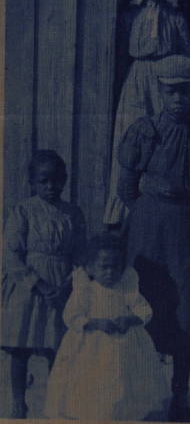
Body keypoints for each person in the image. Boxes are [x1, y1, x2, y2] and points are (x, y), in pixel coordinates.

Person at [117, 55, 190, 422]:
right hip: (150, 228)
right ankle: (141, 395)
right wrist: (150, 213)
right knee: (147, 307)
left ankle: (181, 396)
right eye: (171, 91)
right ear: (160, 91)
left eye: (185, 91)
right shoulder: (145, 131)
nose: (178, 98)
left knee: (187, 312)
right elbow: (126, 187)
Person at [104, 0, 190, 227]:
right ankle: (122, 209)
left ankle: (161, 204)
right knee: (133, 134)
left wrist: (179, 83)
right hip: (137, 77)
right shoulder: (132, 15)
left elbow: (187, 55)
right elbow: (119, 54)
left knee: (165, 135)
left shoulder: (176, 18)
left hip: (165, 79)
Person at [44, 233, 168, 420]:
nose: (110, 272)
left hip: (125, 348)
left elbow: (144, 309)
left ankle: (121, 413)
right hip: (91, 347)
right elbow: (71, 315)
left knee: (123, 382)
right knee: (95, 383)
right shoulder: (85, 289)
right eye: (104, 267)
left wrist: (130, 319)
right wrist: (94, 322)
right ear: (91, 268)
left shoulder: (126, 287)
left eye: (115, 267)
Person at [1, 150, 86, 418]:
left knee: (56, 346)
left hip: (61, 286)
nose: (51, 187)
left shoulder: (73, 213)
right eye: (44, 181)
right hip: (28, 287)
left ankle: (55, 400)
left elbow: (81, 255)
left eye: (57, 181)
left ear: (64, 181)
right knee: (20, 345)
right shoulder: (22, 211)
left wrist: (69, 284)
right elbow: (11, 254)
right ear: (33, 182)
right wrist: (38, 284)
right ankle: (17, 401)